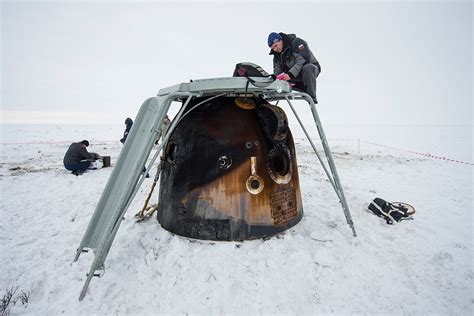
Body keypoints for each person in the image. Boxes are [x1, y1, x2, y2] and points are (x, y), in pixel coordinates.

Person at [267, 32, 321, 103]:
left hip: (309, 69)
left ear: (281, 40)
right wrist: (272, 80)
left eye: (276, 45)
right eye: (273, 48)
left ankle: (311, 97)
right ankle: (300, 87)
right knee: (280, 80)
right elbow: (277, 70)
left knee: (308, 67)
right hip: (292, 74)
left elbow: (303, 60)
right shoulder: (277, 54)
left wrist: (290, 74)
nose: (275, 49)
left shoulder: (297, 43)